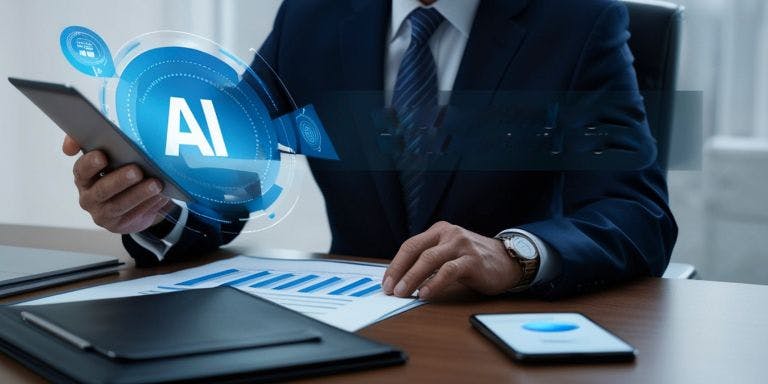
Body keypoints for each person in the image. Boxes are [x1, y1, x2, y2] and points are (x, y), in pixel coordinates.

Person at [62, 0, 677, 300]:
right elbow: (225, 174)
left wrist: (514, 253)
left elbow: (637, 212)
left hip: (499, 335)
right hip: (346, 326)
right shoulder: (316, 14)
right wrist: (154, 204)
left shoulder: (577, 20)